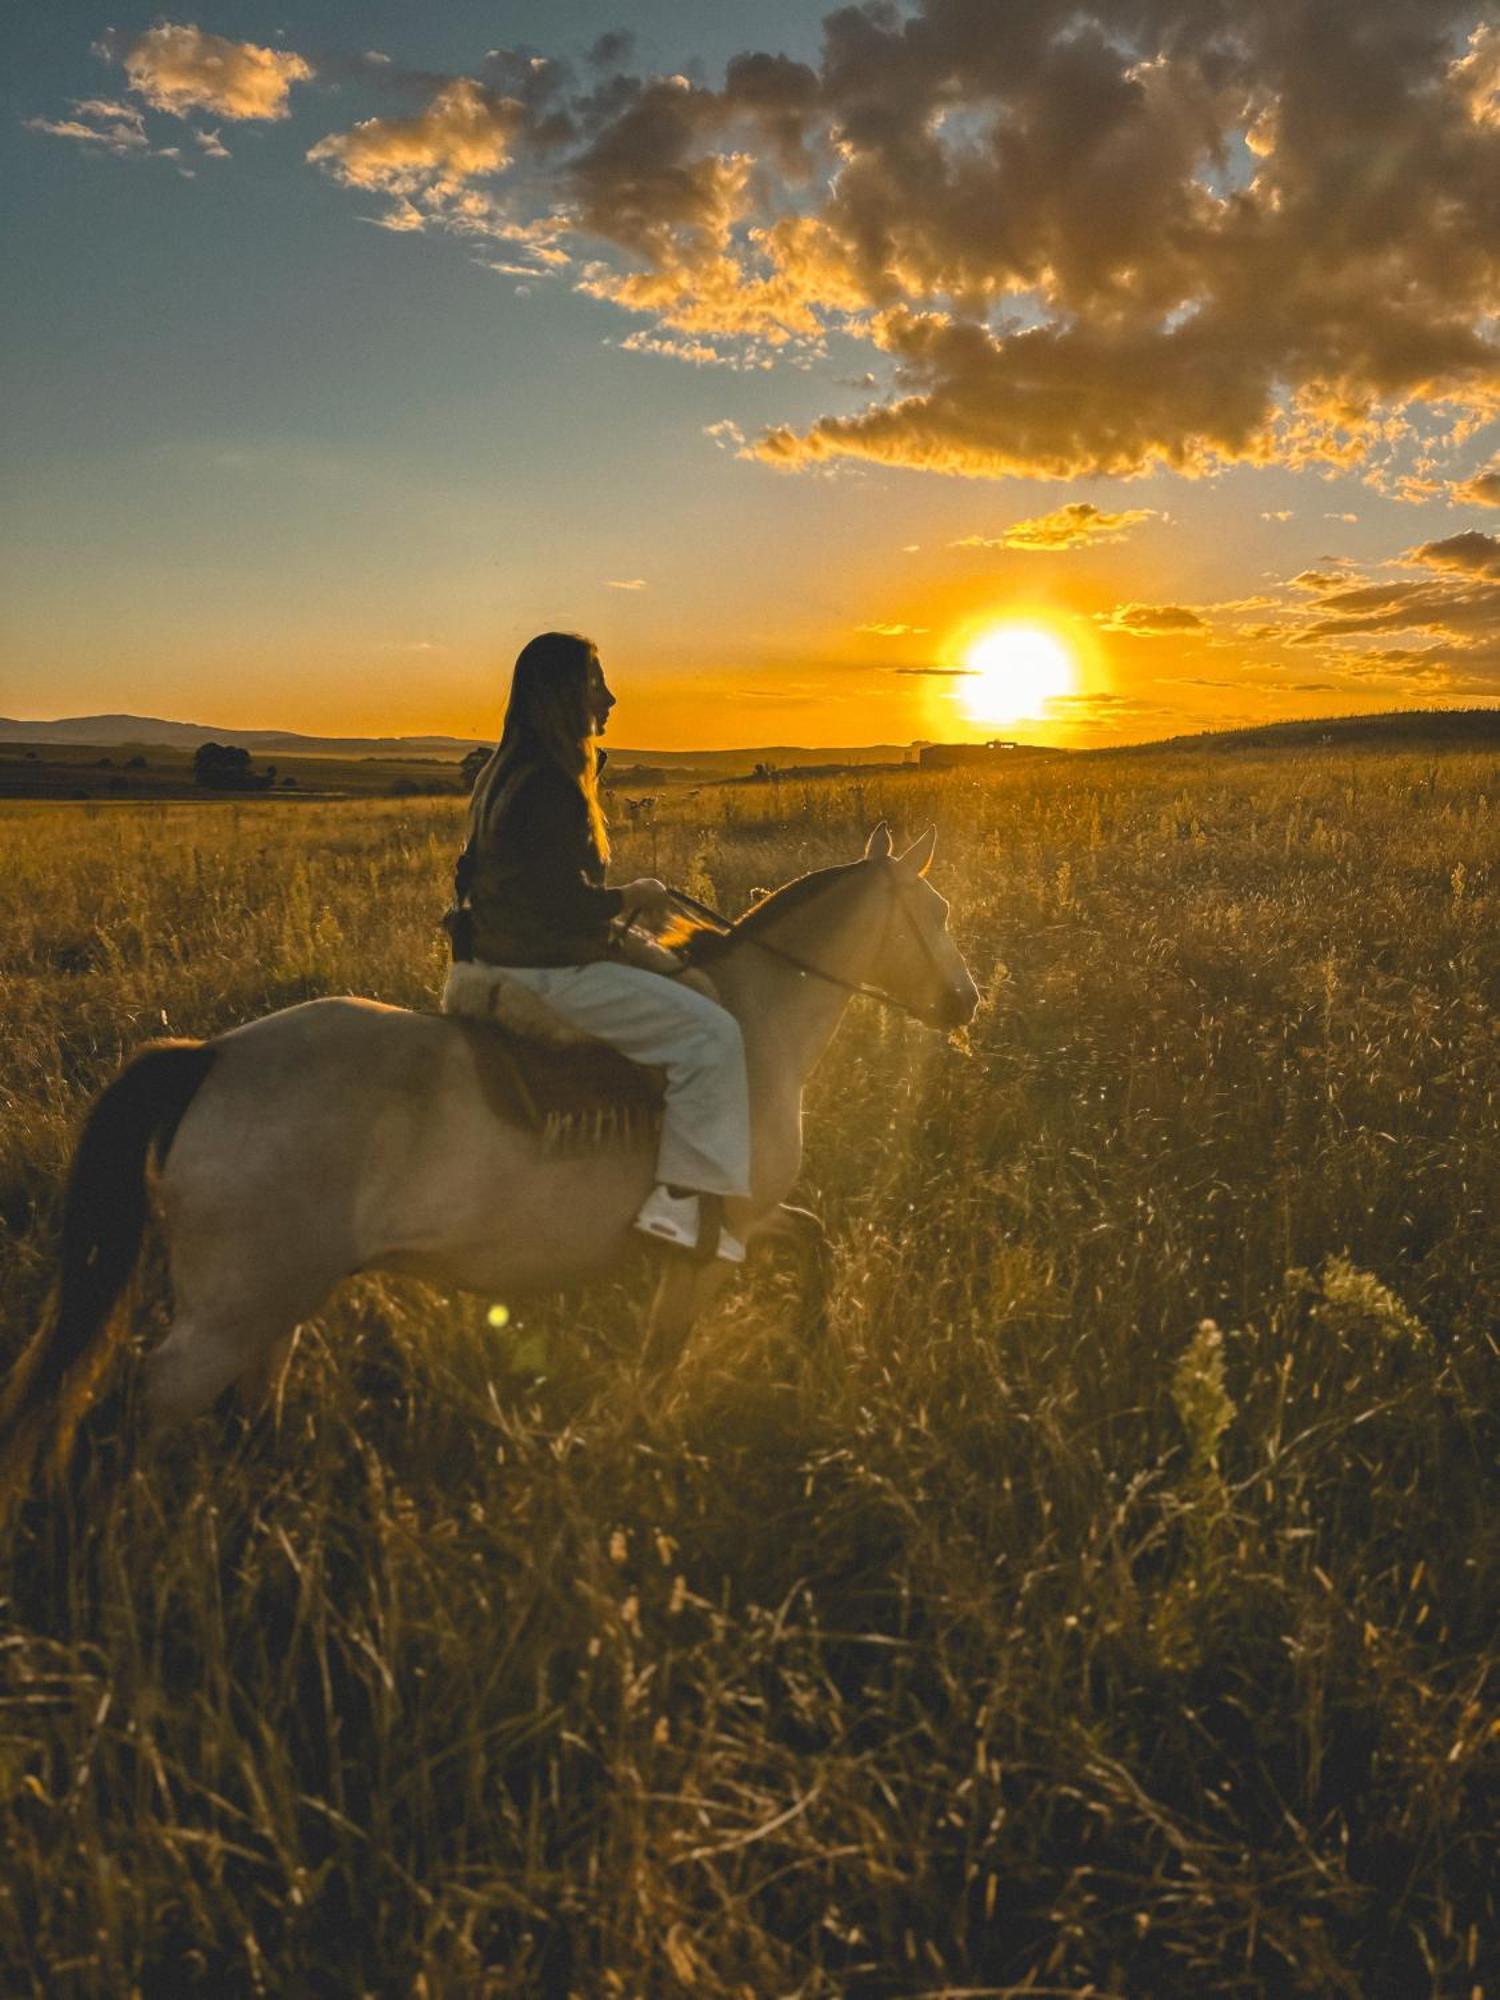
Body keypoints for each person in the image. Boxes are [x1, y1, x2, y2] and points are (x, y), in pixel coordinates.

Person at [451, 631, 751, 1261]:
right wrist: (630, 897)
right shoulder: (551, 787)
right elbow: (559, 900)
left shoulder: (504, 775)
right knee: (713, 1035)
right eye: (595, 684)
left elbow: (488, 880)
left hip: (505, 955)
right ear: (564, 695)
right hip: (548, 969)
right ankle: (681, 1203)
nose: (609, 698)